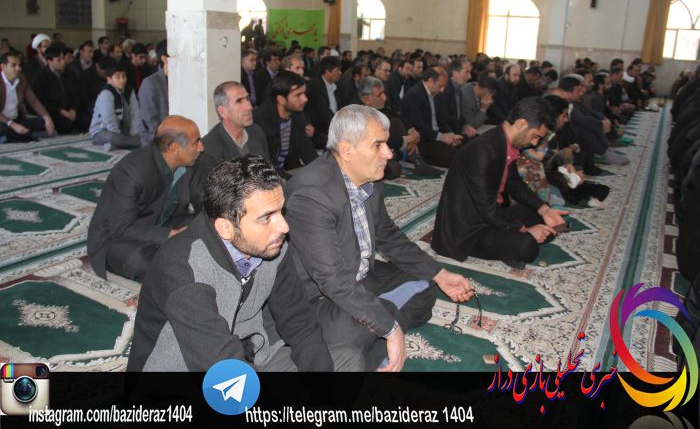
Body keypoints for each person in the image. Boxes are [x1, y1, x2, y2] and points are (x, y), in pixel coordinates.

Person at [284, 104, 474, 372]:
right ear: (347, 149)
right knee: (356, 329)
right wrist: (390, 328)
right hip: (318, 299)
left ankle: (376, 330)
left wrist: (441, 274)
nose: (389, 152)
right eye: (378, 145)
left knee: (426, 284)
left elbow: (389, 237)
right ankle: (377, 329)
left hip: (359, 278)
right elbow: (333, 281)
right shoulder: (311, 195)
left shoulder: (369, 179)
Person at [128, 155, 359, 372]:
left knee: (347, 360)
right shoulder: (183, 267)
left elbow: (298, 321)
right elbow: (221, 366)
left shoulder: (271, 246)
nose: (284, 226)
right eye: (267, 217)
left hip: (248, 357)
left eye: (281, 211)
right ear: (226, 228)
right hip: (194, 371)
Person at [431, 97, 568, 271]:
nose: (534, 143)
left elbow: (514, 184)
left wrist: (544, 209)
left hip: (490, 216)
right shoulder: (482, 150)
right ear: (521, 124)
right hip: (468, 230)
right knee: (528, 246)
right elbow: (486, 208)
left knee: (541, 215)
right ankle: (512, 244)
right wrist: (523, 230)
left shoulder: (505, 143)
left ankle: (510, 243)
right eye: (535, 136)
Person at [87, 115, 204, 280]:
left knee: (209, 226)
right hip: (119, 238)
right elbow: (121, 228)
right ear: (175, 148)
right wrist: (170, 234)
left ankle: (175, 254)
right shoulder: (132, 171)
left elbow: (201, 199)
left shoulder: (188, 164)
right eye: (195, 143)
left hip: (165, 222)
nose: (201, 147)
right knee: (139, 260)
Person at [253, 71, 317, 178]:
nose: (305, 99)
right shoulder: (261, 120)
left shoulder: (298, 115)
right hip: (266, 177)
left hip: (287, 170)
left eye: (304, 93)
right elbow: (263, 164)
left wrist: (325, 170)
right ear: (281, 99)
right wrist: (289, 180)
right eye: (298, 95)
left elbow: (307, 149)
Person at [0, 52, 55, 142]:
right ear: (3, 66)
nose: (18, 68)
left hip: (16, 119)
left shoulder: (21, 78)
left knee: (42, 122)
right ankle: (20, 135)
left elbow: (34, 101)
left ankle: (13, 136)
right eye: (13, 65)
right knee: (3, 129)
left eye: (19, 65)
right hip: (3, 121)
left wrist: (47, 117)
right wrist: (12, 125)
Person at [89, 62, 141, 150]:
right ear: (109, 79)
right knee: (114, 138)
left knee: (143, 132)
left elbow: (135, 114)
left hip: (121, 128)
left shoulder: (129, 91)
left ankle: (126, 142)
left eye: (124, 77)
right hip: (103, 131)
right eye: (118, 77)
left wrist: (135, 134)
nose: (122, 80)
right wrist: (118, 136)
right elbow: (108, 118)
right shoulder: (106, 93)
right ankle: (133, 142)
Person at [139, 39, 169, 146]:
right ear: (164, 58)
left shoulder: (180, 80)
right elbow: (149, 121)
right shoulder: (150, 83)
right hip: (157, 142)